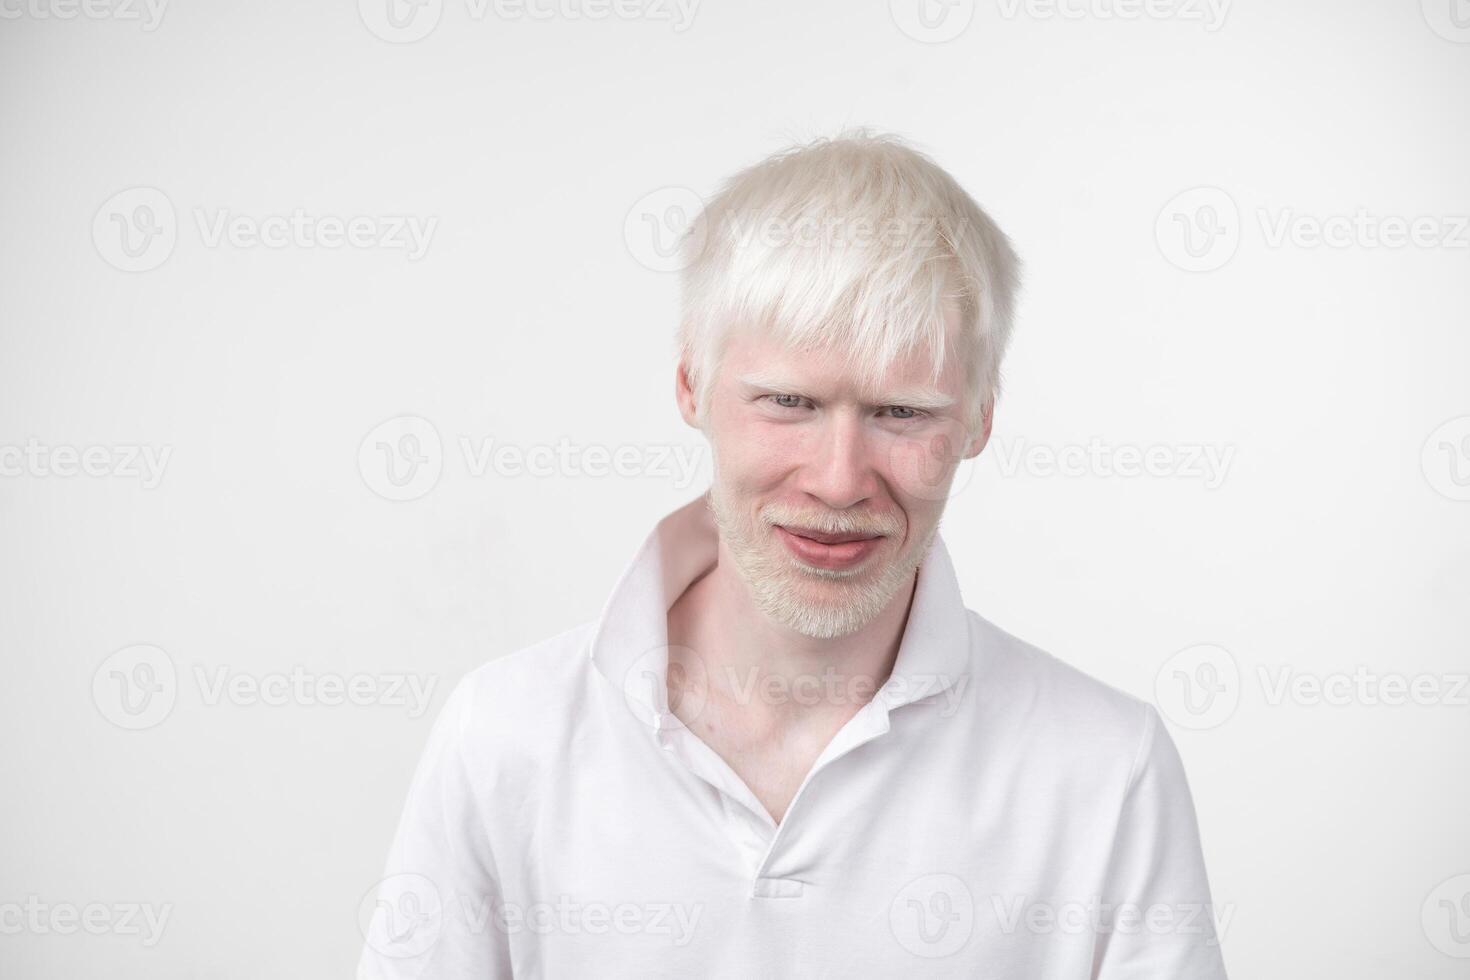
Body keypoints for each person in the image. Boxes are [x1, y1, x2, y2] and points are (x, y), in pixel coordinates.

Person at [358, 130, 1229, 979]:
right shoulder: (507, 736)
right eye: (788, 402)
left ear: (979, 419)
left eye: (902, 413)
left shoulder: (1106, 770)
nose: (841, 480)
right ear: (690, 385)